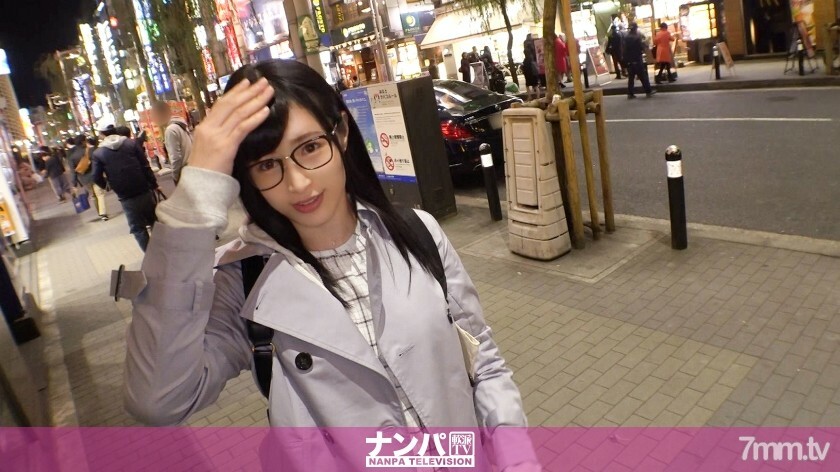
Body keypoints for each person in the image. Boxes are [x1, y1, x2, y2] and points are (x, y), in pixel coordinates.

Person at [122, 60, 539, 471]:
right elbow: (160, 400)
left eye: (310, 147)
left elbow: (482, 363)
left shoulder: (418, 232)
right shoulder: (245, 283)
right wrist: (195, 201)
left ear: (340, 133)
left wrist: (516, 459)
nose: (298, 183)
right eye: (267, 165)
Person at [91, 125, 159, 250]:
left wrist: (107, 185)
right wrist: (154, 184)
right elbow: (145, 166)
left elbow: (95, 177)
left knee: (138, 228)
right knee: (154, 221)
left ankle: (151, 255)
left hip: (125, 195)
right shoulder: (130, 144)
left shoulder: (98, 153)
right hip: (143, 188)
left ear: (102, 134)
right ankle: (163, 249)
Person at [68, 134, 108, 221]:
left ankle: (100, 212)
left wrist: (74, 184)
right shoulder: (91, 151)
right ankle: (103, 213)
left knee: (93, 196)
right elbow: (99, 163)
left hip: (84, 179)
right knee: (100, 194)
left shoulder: (72, 157)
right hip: (95, 176)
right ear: (83, 142)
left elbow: (73, 172)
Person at [151, 101, 193, 185]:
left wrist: (175, 176)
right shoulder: (180, 125)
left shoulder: (170, 130)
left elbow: (176, 157)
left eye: (154, 115)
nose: (154, 119)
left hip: (184, 174)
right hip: (192, 168)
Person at [622, 22, 655, 98]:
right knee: (643, 76)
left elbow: (624, 49)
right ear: (635, 28)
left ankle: (630, 93)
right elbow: (642, 47)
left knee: (631, 78)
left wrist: (626, 60)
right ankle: (648, 91)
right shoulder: (637, 37)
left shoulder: (626, 37)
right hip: (637, 59)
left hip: (629, 60)